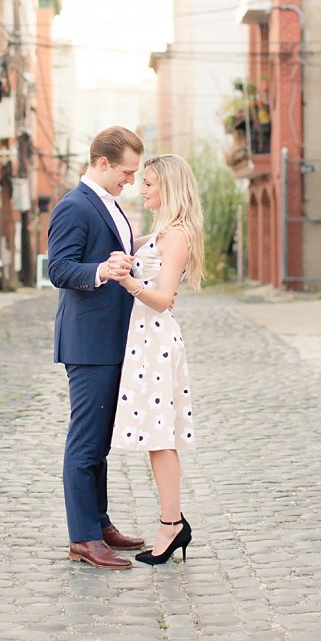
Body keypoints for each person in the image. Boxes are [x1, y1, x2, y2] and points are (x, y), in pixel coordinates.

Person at [47, 126, 148, 569]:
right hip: (89, 343)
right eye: (125, 172)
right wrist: (102, 270)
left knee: (101, 441)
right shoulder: (74, 205)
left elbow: (118, 250)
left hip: (112, 338)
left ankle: (100, 522)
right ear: (102, 163)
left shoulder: (110, 205)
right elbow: (60, 268)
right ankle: (83, 538)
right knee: (85, 441)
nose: (130, 181)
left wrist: (153, 245)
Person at [108, 153, 206, 566]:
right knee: (154, 438)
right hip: (143, 340)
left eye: (148, 182)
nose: (142, 188)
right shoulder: (160, 232)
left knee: (159, 438)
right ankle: (172, 522)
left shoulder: (178, 235)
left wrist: (129, 281)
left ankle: (172, 523)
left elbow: (163, 300)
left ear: (168, 186)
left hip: (156, 340)